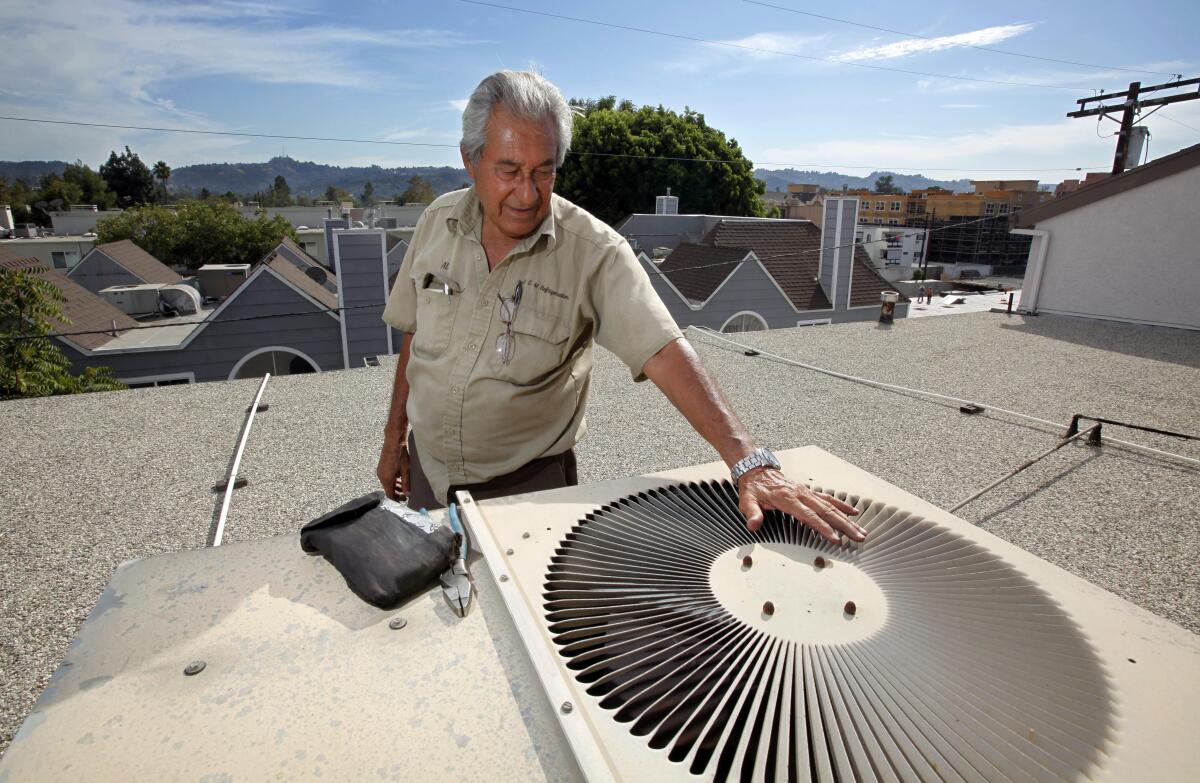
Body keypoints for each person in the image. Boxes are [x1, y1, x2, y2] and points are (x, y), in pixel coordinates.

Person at [377, 70, 863, 545]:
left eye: (544, 171)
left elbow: (666, 350)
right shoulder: (436, 222)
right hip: (428, 473)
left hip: (525, 491)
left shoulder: (594, 251)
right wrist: (395, 438)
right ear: (470, 159)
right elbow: (416, 336)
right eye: (509, 171)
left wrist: (750, 461)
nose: (527, 194)